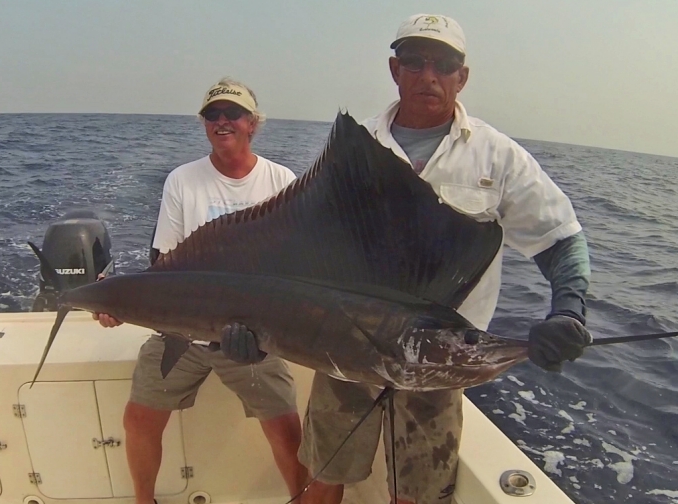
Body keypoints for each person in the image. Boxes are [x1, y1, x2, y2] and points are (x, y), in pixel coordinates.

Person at [225, 14, 592, 503]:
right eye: (415, 61)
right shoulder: (357, 148)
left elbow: (561, 239)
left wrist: (568, 309)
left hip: (437, 368)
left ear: (462, 77)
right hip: (343, 355)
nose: (429, 74)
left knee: (417, 495)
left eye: (444, 64)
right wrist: (253, 328)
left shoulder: (497, 156)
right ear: (395, 70)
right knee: (321, 478)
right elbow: (297, 251)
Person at [93, 78, 307, 504]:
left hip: (254, 337)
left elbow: (294, 271)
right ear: (204, 124)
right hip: (183, 332)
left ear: (253, 124)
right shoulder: (181, 180)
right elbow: (164, 268)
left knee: (286, 430)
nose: (222, 121)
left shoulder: (282, 179)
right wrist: (118, 301)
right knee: (138, 421)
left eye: (234, 114)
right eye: (213, 114)